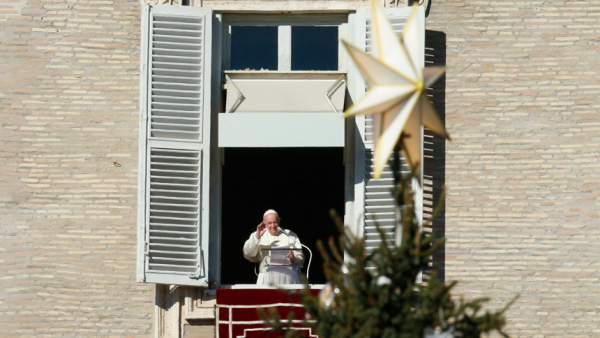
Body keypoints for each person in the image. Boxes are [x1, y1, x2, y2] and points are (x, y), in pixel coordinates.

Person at [243, 209, 305, 285]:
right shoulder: (257, 235)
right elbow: (248, 254)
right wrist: (257, 238)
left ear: (279, 221)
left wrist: (293, 258)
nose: (273, 226)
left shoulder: (290, 235)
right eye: (269, 223)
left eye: (275, 222)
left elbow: (301, 259)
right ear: (264, 223)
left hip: (288, 278)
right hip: (266, 277)